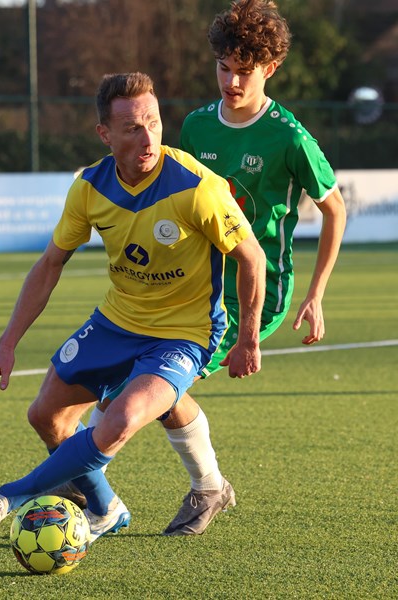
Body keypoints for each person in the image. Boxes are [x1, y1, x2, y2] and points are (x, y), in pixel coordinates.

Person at [0, 72, 266, 542]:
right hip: (116, 321)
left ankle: (5, 499)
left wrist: (248, 339)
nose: (148, 138)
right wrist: (6, 343)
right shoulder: (89, 187)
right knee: (46, 417)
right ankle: (106, 508)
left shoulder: (196, 187)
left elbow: (252, 258)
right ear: (105, 134)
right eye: (132, 128)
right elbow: (49, 264)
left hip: (185, 332)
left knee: (120, 419)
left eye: (154, 124)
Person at [89, 0, 347, 536]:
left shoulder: (289, 137)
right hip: (191, 283)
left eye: (245, 71)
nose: (231, 80)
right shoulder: (198, 125)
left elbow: (334, 210)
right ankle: (206, 488)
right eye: (224, 67)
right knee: (157, 385)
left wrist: (316, 294)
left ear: (270, 69)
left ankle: (89, 485)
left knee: (145, 386)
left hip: (254, 290)